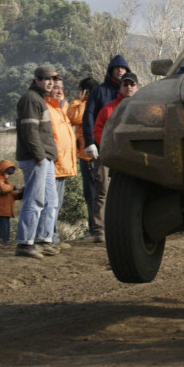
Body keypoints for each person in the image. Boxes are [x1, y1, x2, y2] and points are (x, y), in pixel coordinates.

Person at [83, 54, 130, 243]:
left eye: (123, 68)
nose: (120, 70)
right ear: (110, 70)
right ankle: (99, 230)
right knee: (102, 189)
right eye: (116, 67)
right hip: (102, 147)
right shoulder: (99, 91)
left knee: (125, 190)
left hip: (126, 150)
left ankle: (121, 227)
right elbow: (88, 118)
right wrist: (90, 143)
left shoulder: (132, 94)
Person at [14, 65, 59, 259]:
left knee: (51, 200)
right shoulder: (30, 99)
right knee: (34, 200)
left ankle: (42, 240)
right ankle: (25, 243)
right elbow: (29, 132)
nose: (49, 82)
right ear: (36, 79)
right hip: (35, 158)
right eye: (45, 79)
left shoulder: (39, 99)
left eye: (52, 79)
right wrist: (40, 156)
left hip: (44, 157)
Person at [39, 75, 76, 247]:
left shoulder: (61, 110)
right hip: (53, 164)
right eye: (55, 87)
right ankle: (48, 237)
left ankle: (52, 235)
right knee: (49, 203)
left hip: (63, 164)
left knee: (56, 203)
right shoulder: (46, 109)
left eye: (61, 87)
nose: (59, 90)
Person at [67, 77, 98, 239]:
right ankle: (96, 227)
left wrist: (77, 100)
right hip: (90, 154)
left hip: (87, 156)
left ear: (85, 91)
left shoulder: (86, 104)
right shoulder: (96, 103)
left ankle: (94, 228)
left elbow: (72, 117)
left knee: (91, 194)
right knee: (95, 193)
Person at [0, 160, 22, 245]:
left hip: (6, 211)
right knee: (3, 228)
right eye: (7, 173)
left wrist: (21, 194)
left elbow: (13, 195)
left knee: (5, 228)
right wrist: (14, 187)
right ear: (2, 171)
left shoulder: (7, 183)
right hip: (0, 211)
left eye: (10, 174)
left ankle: (3, 242)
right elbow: (3, 189)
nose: (8, 176)